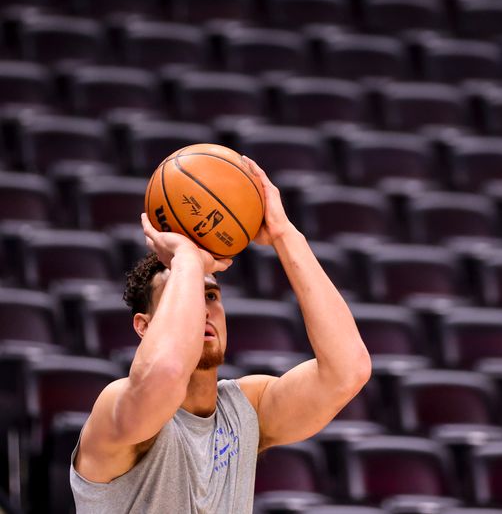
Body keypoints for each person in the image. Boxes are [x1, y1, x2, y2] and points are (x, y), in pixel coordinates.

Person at [69, 157, 372, 513]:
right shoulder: (117, 406)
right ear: (144, 327)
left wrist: (284, 234)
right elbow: (165, 373)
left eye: (210, 295)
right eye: (186, 295)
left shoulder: (246, 410)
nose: (202, 308)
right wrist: (186, 260)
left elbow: (348, 370)